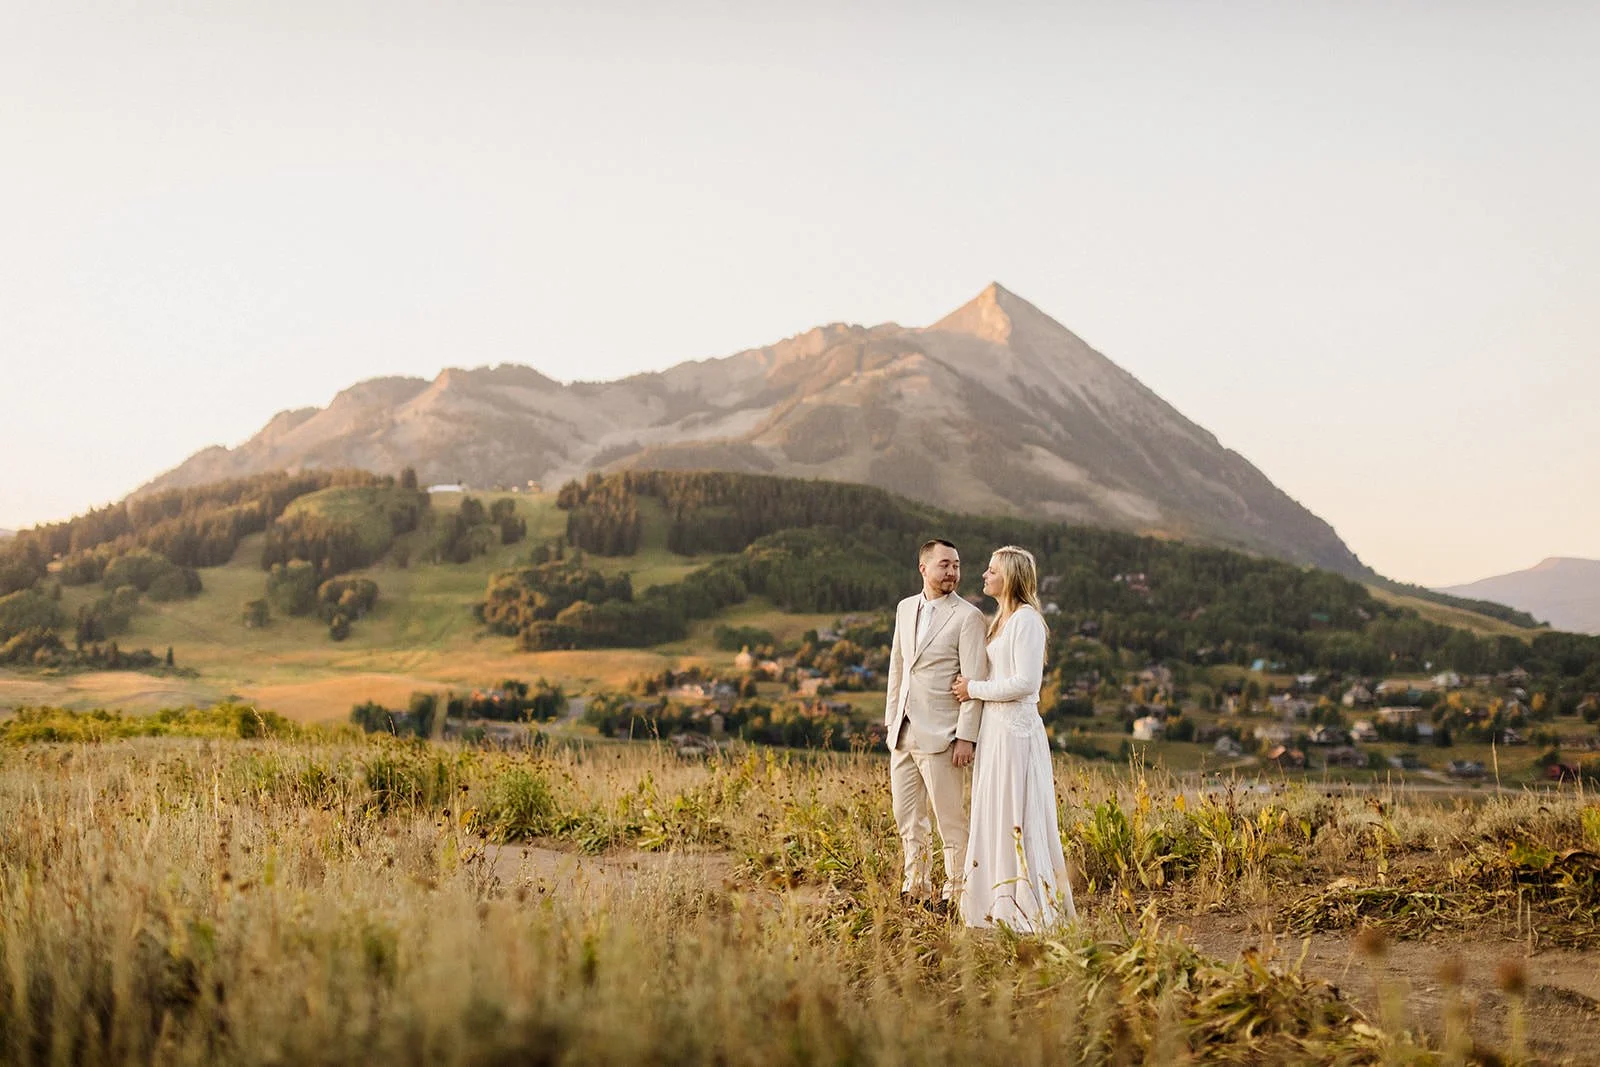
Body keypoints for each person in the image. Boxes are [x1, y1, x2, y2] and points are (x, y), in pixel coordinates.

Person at [953, 545, 1076, 930]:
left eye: (992, 570)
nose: (984, 575)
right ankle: (993, 903)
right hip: (995, 731)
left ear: (1010, 577)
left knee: (1017, 814)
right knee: (994, 812)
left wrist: (974, 688)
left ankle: (1026, 907)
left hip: (1016, 733)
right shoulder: (1000, 620)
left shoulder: (1026, 621)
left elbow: (1026, 683)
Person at [884, 538, 989, 907]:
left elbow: (973, 679)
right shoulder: (904, 608)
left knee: (950, 822)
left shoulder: (969, 617)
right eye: (945, 565)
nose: (953, 572)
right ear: (923, 568)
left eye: (957, 565)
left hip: (944, 736)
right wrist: (890, 722)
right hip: (903, 732)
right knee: (907, 818)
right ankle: (917, 887)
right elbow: (898, 667)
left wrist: (966, 737)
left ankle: (956, 894)